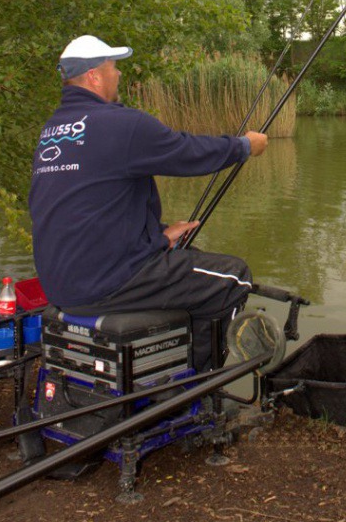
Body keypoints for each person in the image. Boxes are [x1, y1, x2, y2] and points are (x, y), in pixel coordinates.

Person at [29, 34, 268, 370]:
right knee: (234, 278)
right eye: (113, 66)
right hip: (105, 282)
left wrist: (158, 236)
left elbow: (90, 207)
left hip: (61, 283)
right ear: (94, 75)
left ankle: (159, 368)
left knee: (189, 257)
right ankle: (192, 389)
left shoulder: (52, 130)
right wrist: (244, 146)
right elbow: (188, 153)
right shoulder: (120, 124)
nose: (119, 74)